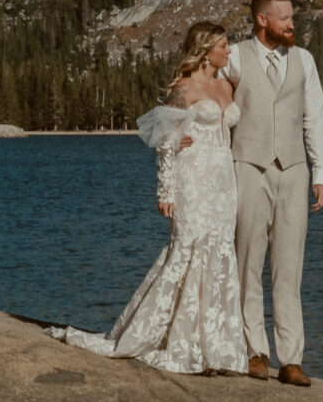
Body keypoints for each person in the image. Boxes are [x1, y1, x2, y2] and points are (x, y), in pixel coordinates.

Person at [46, 23, 252, 375]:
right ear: (205, 50)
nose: (229, 51)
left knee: (219, 251)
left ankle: (219, 348)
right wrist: (166, 190)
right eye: (223, 45)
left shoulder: (227, 85)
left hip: (223, 180)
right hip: (193, 178)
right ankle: (176, 341)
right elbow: (163, 142)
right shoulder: (182, 88)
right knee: (187, 247)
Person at [230, 0, 323, 386]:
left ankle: (291, 359)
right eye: (285, 18)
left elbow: (314, 120)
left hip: (293, 171)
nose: (292, 24)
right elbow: (213, 100)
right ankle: (255, 351)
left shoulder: (304, 60)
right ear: (262, 20)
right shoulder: (235, 56)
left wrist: (320, 172)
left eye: (292, 18)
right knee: (247, 264)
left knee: (289, 269)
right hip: (247, 167)